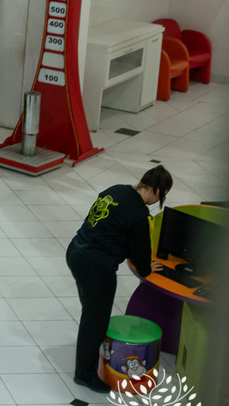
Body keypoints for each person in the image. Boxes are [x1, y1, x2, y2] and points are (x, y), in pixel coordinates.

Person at [66, 165, 172, 393]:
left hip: (76, 251)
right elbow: (141, 255)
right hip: (96, 266)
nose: (157, 201)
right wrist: (147, 268)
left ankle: (87, 357)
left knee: (91, 311)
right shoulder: (139, 215)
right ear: (156, 190)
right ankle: (84, 374)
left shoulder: (116, 190)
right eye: (161, 196)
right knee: (96, 319)